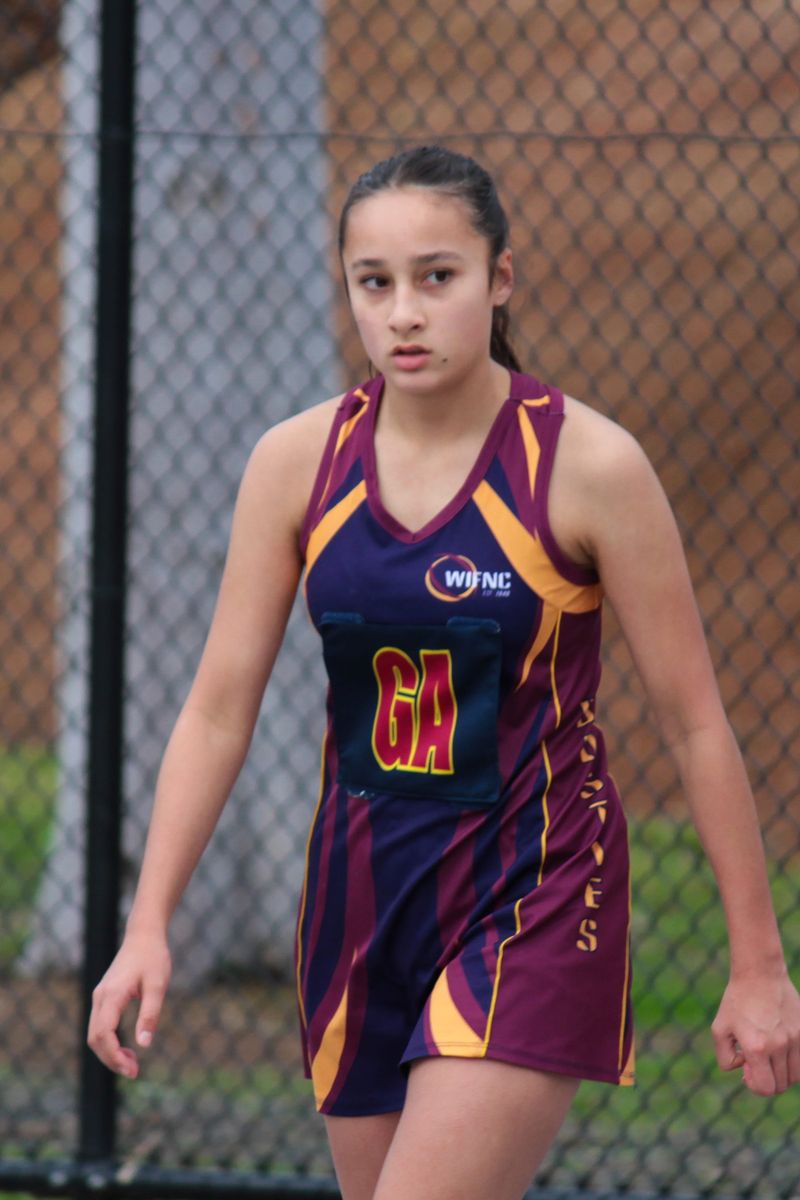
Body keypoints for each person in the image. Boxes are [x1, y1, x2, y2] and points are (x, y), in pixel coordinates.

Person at [88, 144, 800, 1200]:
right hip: (360, 898)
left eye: (437, 277)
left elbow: (694, 724)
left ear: (498, 279)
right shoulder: (297, 461)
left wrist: (757, 966)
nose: (403, 313)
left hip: (534, 890)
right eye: (373, 283)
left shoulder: (588, 467)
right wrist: (146, 927)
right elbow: (215, 711)